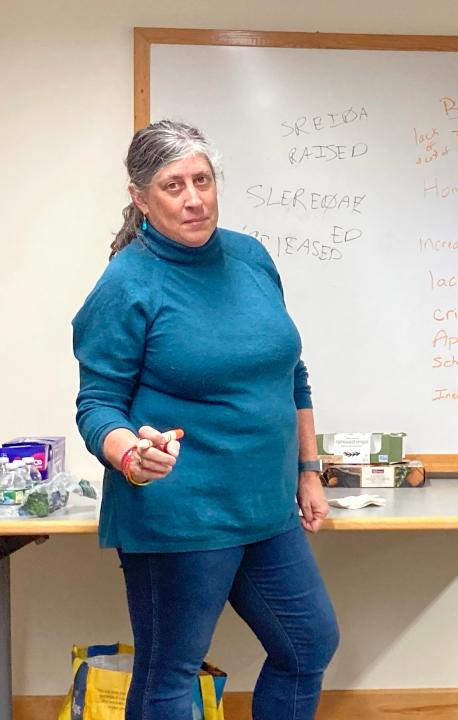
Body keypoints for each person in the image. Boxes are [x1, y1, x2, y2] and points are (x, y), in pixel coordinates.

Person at [72, 119, 339, 720]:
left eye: (202, 179)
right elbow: (97, 404)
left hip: (266, 508)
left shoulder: (250, 256)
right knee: (171, 674)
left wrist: (308, 469)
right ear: (142, 199)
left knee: (308, 644)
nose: (193, 198)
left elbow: (290, 372)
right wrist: (129, 454)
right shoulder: (127, 283)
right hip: (180, 512)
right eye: (173, 186)